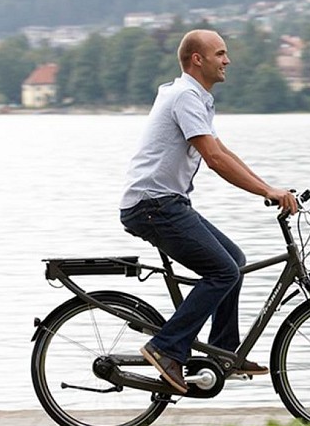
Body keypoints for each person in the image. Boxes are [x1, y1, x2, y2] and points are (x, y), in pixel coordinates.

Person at [119, 29, 298, 393]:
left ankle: (221, 353)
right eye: (220, 53)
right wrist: (266, 191)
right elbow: (214, 159)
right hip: (154, 205)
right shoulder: (185, 96)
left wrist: (271, 188)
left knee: (235, 260)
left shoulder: (195, 98)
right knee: (222, 271)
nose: (227, 60)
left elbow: (223, 152)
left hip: (166, 203)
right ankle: (166, 347)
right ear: (197, 59)